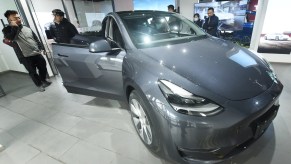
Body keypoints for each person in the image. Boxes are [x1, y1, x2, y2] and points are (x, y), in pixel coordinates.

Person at [2, 10, 51, 92]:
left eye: (18, 17)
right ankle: (39, 85)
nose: (18, 19)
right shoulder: (6, 30)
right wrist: (14, 27)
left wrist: (40, 48)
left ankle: (43, 80)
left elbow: (35, 38)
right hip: (25, 56)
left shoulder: (27, 27)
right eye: (15, 18)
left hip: (36, 52)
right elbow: (11, 38)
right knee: (32, 72)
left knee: (43, 67)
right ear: (10, 20)